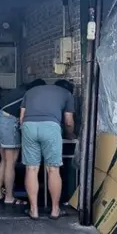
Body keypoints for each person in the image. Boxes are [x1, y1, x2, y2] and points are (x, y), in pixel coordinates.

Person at [20, 79, 75, 220]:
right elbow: (68, 121)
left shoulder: (30, 91)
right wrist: (70, 136)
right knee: (53, 169)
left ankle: (34, 210)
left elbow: (21, 118)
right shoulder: (67, 94)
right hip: (51, 127)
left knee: (31, 169)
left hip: (29, 126)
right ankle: (55, 210)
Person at [0, 79, 46, 205]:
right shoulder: (29, 94)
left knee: (4, 160)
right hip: (8, 122)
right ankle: (9, 197)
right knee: (11, 162)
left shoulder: (20, 90)